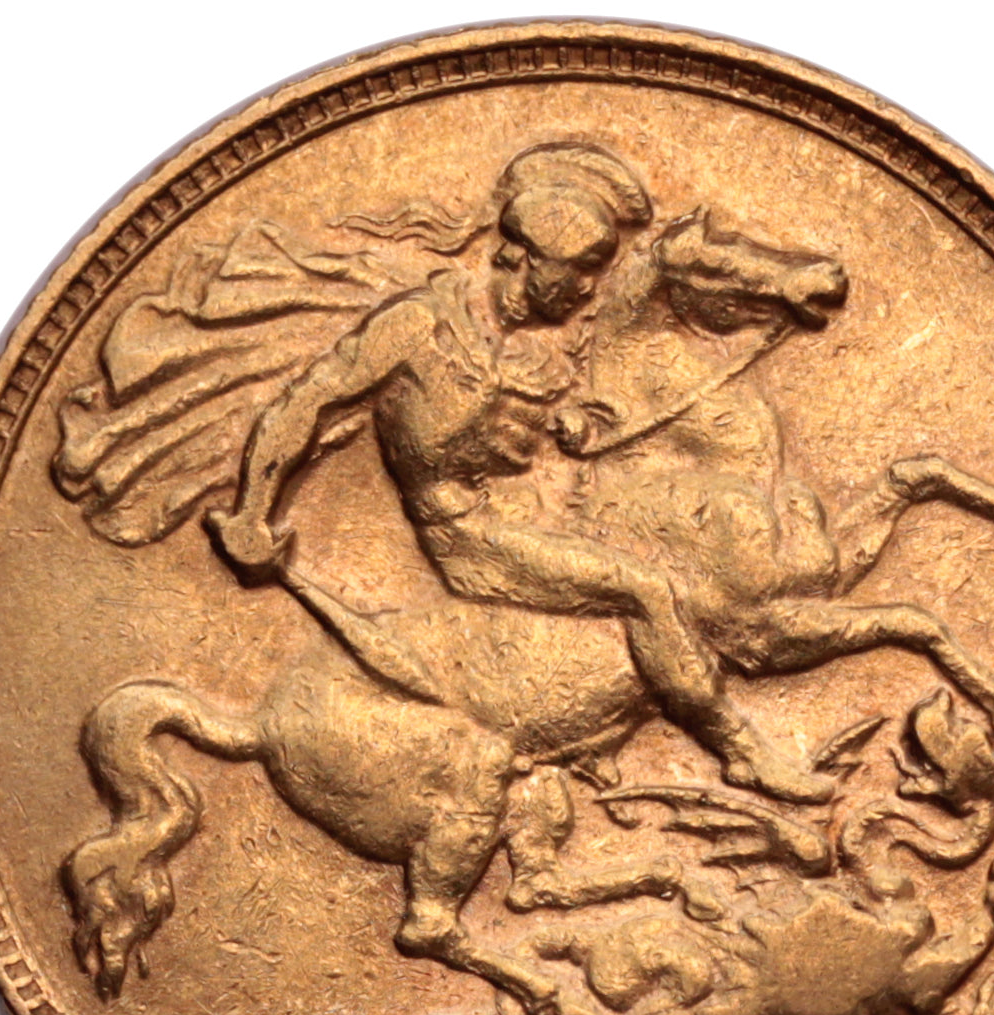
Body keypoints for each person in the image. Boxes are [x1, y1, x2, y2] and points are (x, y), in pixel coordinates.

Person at [206, 142, 832, 803]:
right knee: (644, 589)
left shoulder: (549, 340)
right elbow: (308, 401)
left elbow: (566, 406)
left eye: (595, 272)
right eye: (578, 270)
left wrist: (581, 425)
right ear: (526, 259)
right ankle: (739, 750)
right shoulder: (419, 327)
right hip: (469, 535)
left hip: (545, 513)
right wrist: (252, 511)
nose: (588, 288)